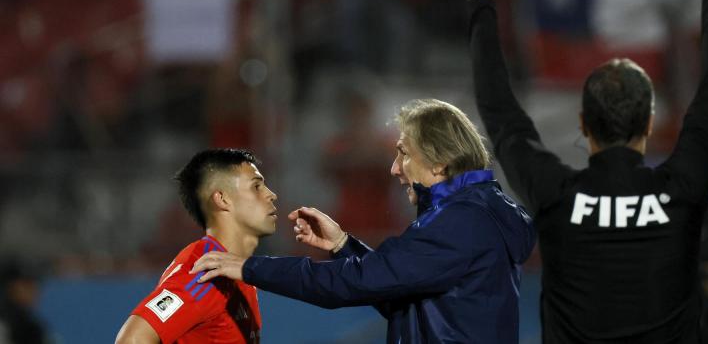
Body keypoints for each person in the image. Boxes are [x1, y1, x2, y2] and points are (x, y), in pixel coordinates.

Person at [460, 0, 708, 343]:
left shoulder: (555, 194)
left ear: (584, 125)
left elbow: (499, 111)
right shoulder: (682, 189)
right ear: (648, 124)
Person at [190, 98, 536, 343]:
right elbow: (400, 293)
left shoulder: (462, 223)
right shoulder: (476, 213)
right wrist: (343, 246)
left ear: (438, 164)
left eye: (404, 153)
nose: (395, 168)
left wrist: (250, 268)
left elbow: (354, 283)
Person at [115, 148, 277, 344]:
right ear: (222, 199)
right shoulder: (204, 272)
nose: (271, 195)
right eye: (256, 186)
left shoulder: (232, 268)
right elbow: (132, 339)